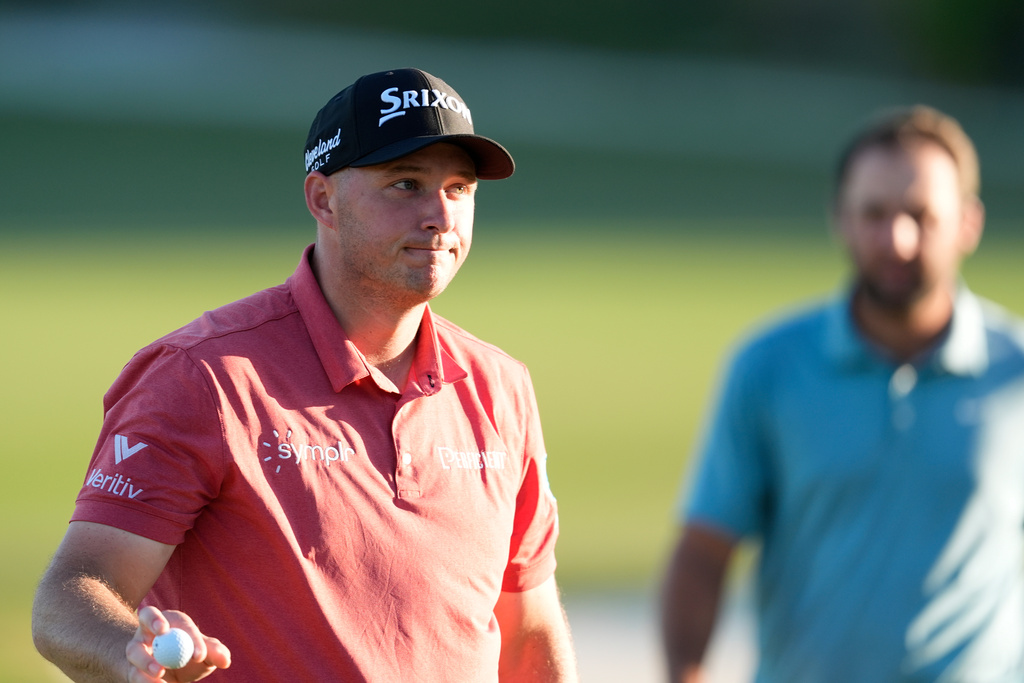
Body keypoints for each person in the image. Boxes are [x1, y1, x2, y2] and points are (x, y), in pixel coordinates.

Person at [32, 67, 578, 683]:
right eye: (405, 183)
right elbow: (70, 596)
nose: (440, 217)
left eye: (460, 188)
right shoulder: (204, 377)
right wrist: (127, 650)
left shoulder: (500, 387)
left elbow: (528, 633)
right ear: (323, 199)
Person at [661, 105, 1024, 682]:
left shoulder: (1016, 372)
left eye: (921, 216)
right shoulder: (769, 367)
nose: (897, 239)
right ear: (841, 219)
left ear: (968, 224)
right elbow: (704, 550)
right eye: (874, 213)